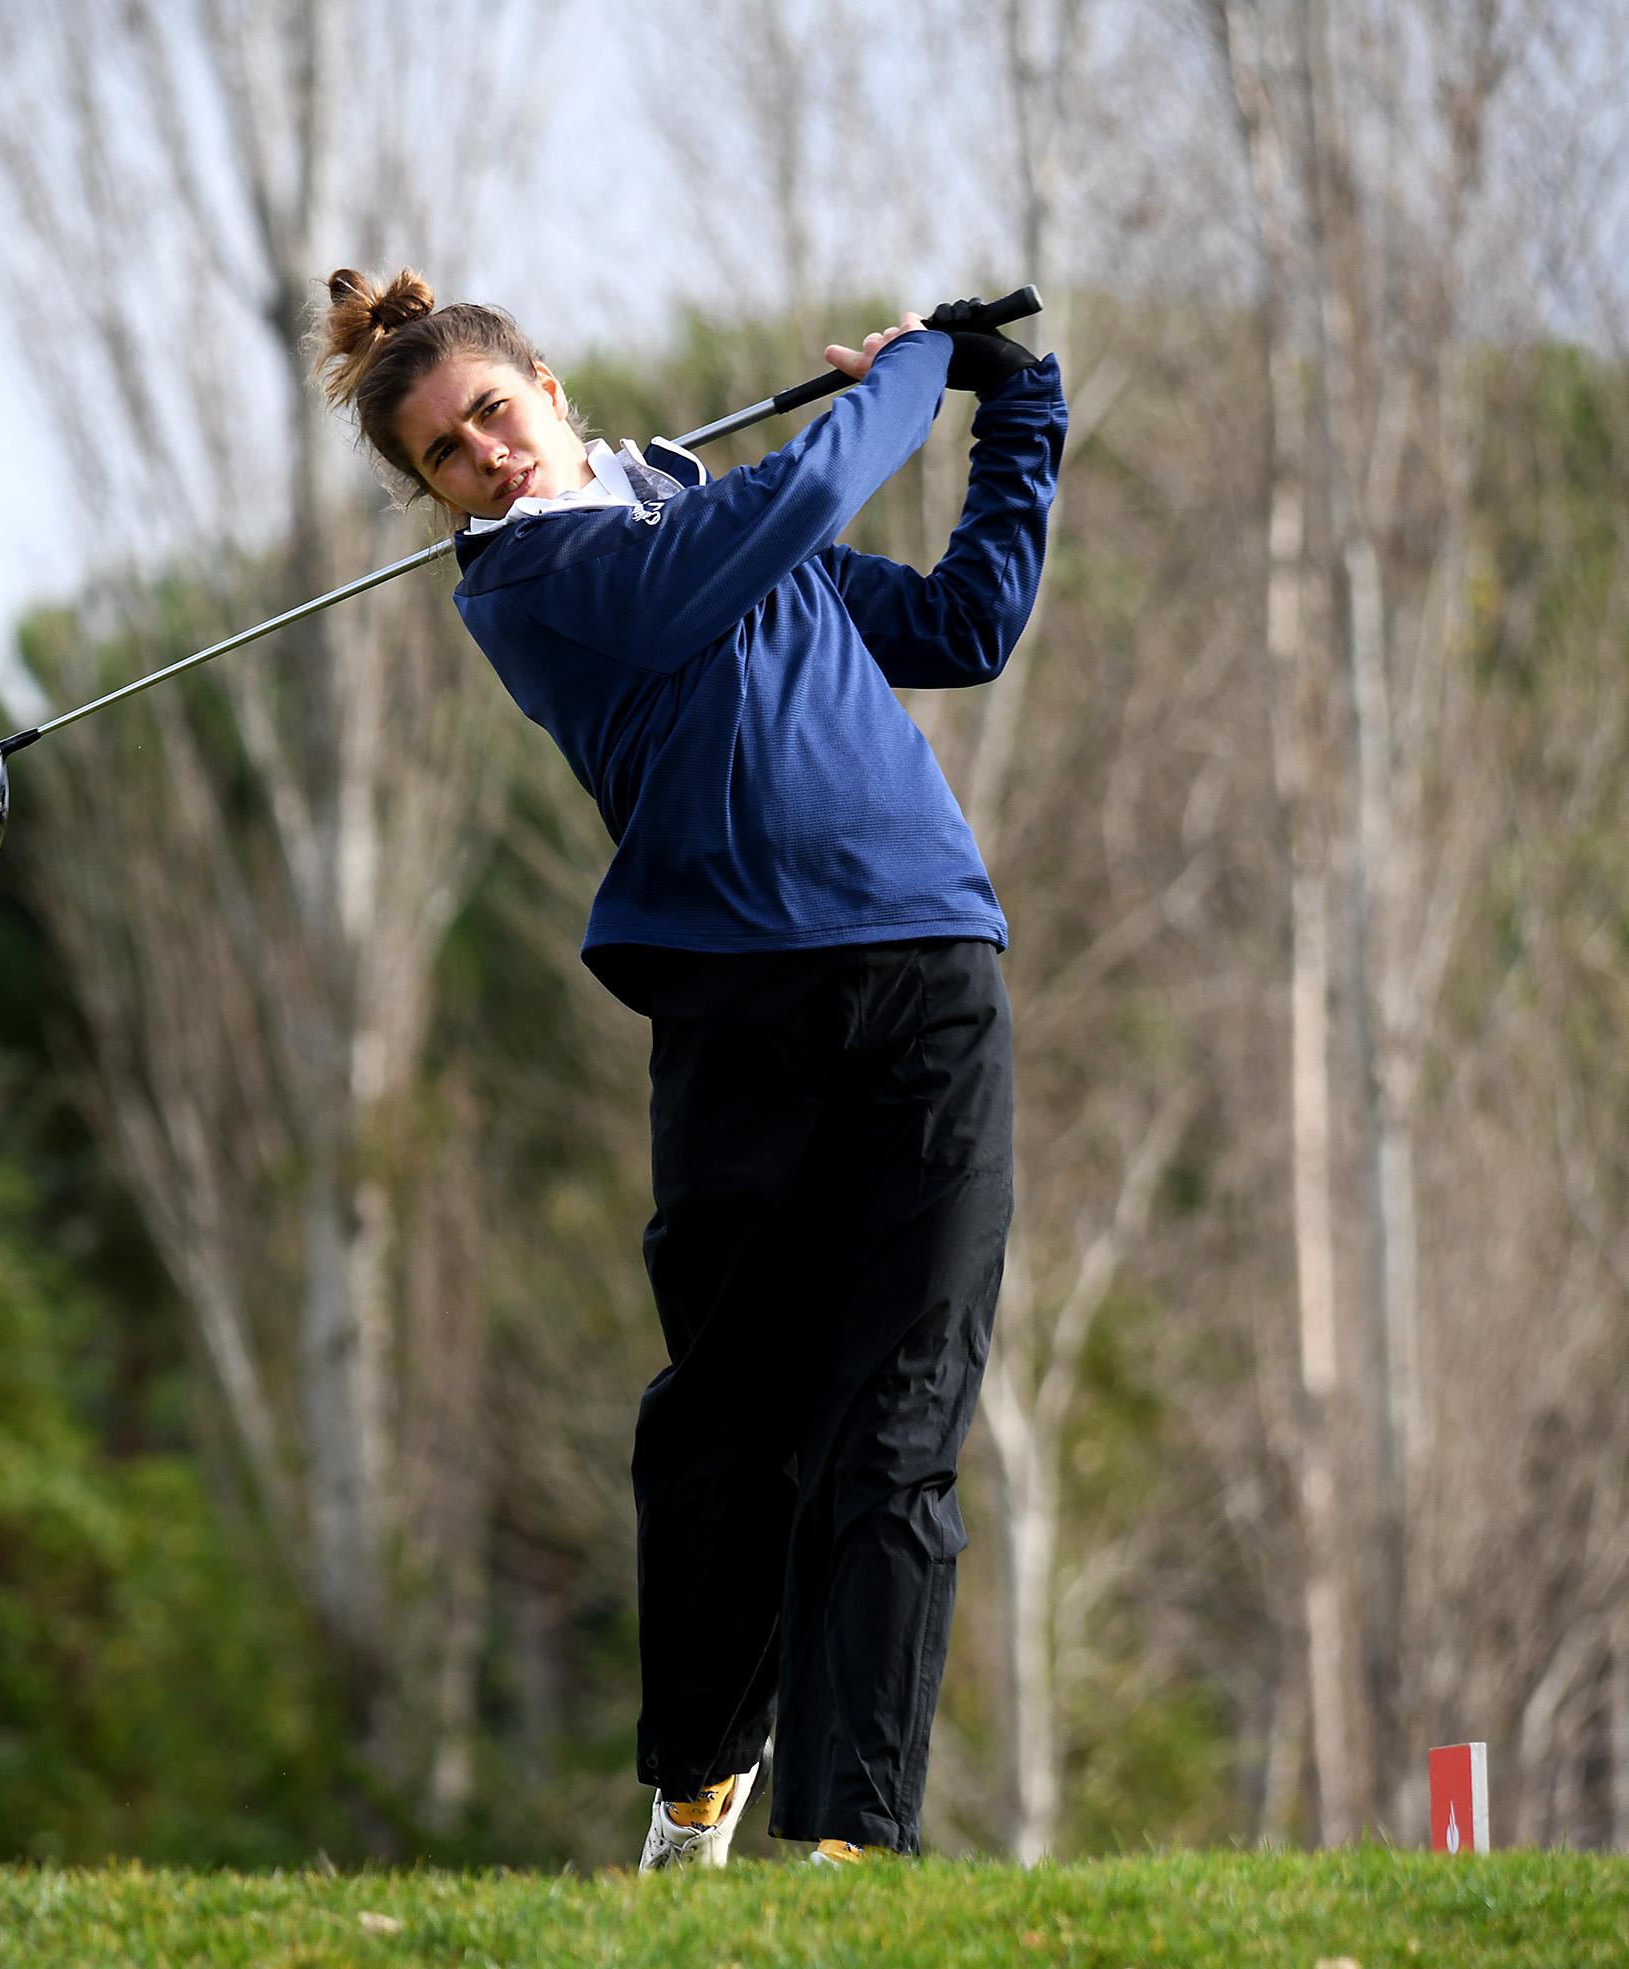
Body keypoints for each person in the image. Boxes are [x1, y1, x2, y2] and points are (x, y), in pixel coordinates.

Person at [307, 267, 1064, 1868]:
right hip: (739, 1016)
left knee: (901, 1418)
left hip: (930, 972)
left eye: (495, 412)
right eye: (446, 452)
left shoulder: (710, 515)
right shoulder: (535, 584)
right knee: (735, 1417)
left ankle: (855, 1837)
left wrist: (1018, 412)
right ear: (433, 494)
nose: (487, 456)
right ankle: (701, 1772)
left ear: (554, 392)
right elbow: (717, 565)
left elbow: (960, 623)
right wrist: (904, 374)